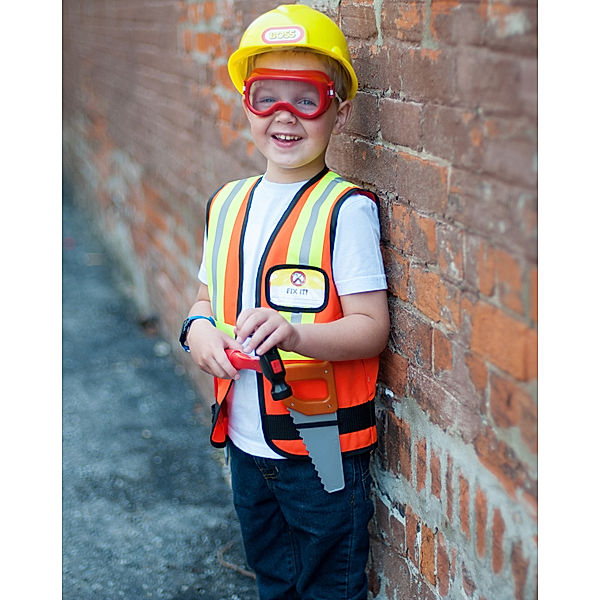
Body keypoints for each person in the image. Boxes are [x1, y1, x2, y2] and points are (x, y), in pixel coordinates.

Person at [179, 5, 390, 599]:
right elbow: (203, 299)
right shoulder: (226, 203)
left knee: (330, 586)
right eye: (265, 96)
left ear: (338, 110)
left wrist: (296, 335)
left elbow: (371, 328)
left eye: (306, 99)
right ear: (245, 103)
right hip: (245, 440)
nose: (283, 116)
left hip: (321, 445)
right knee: (273, 578)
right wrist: (196, 330)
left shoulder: (345, 210)